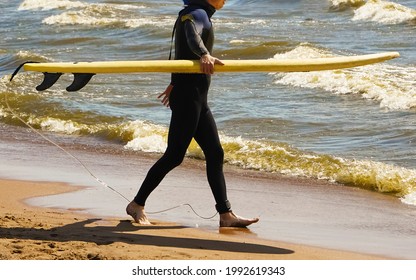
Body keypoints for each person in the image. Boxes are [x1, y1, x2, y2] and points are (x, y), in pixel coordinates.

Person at [126, 0, 259, 227]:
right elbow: (191, 36)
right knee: (174, 156)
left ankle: (226, 215)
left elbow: (181, 53)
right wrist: (205, 54)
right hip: (189, 99)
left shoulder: (196, 13)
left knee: (215, 154)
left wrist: (174, 82)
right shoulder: (196, 14)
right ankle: (137, 205)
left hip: (196, 98)